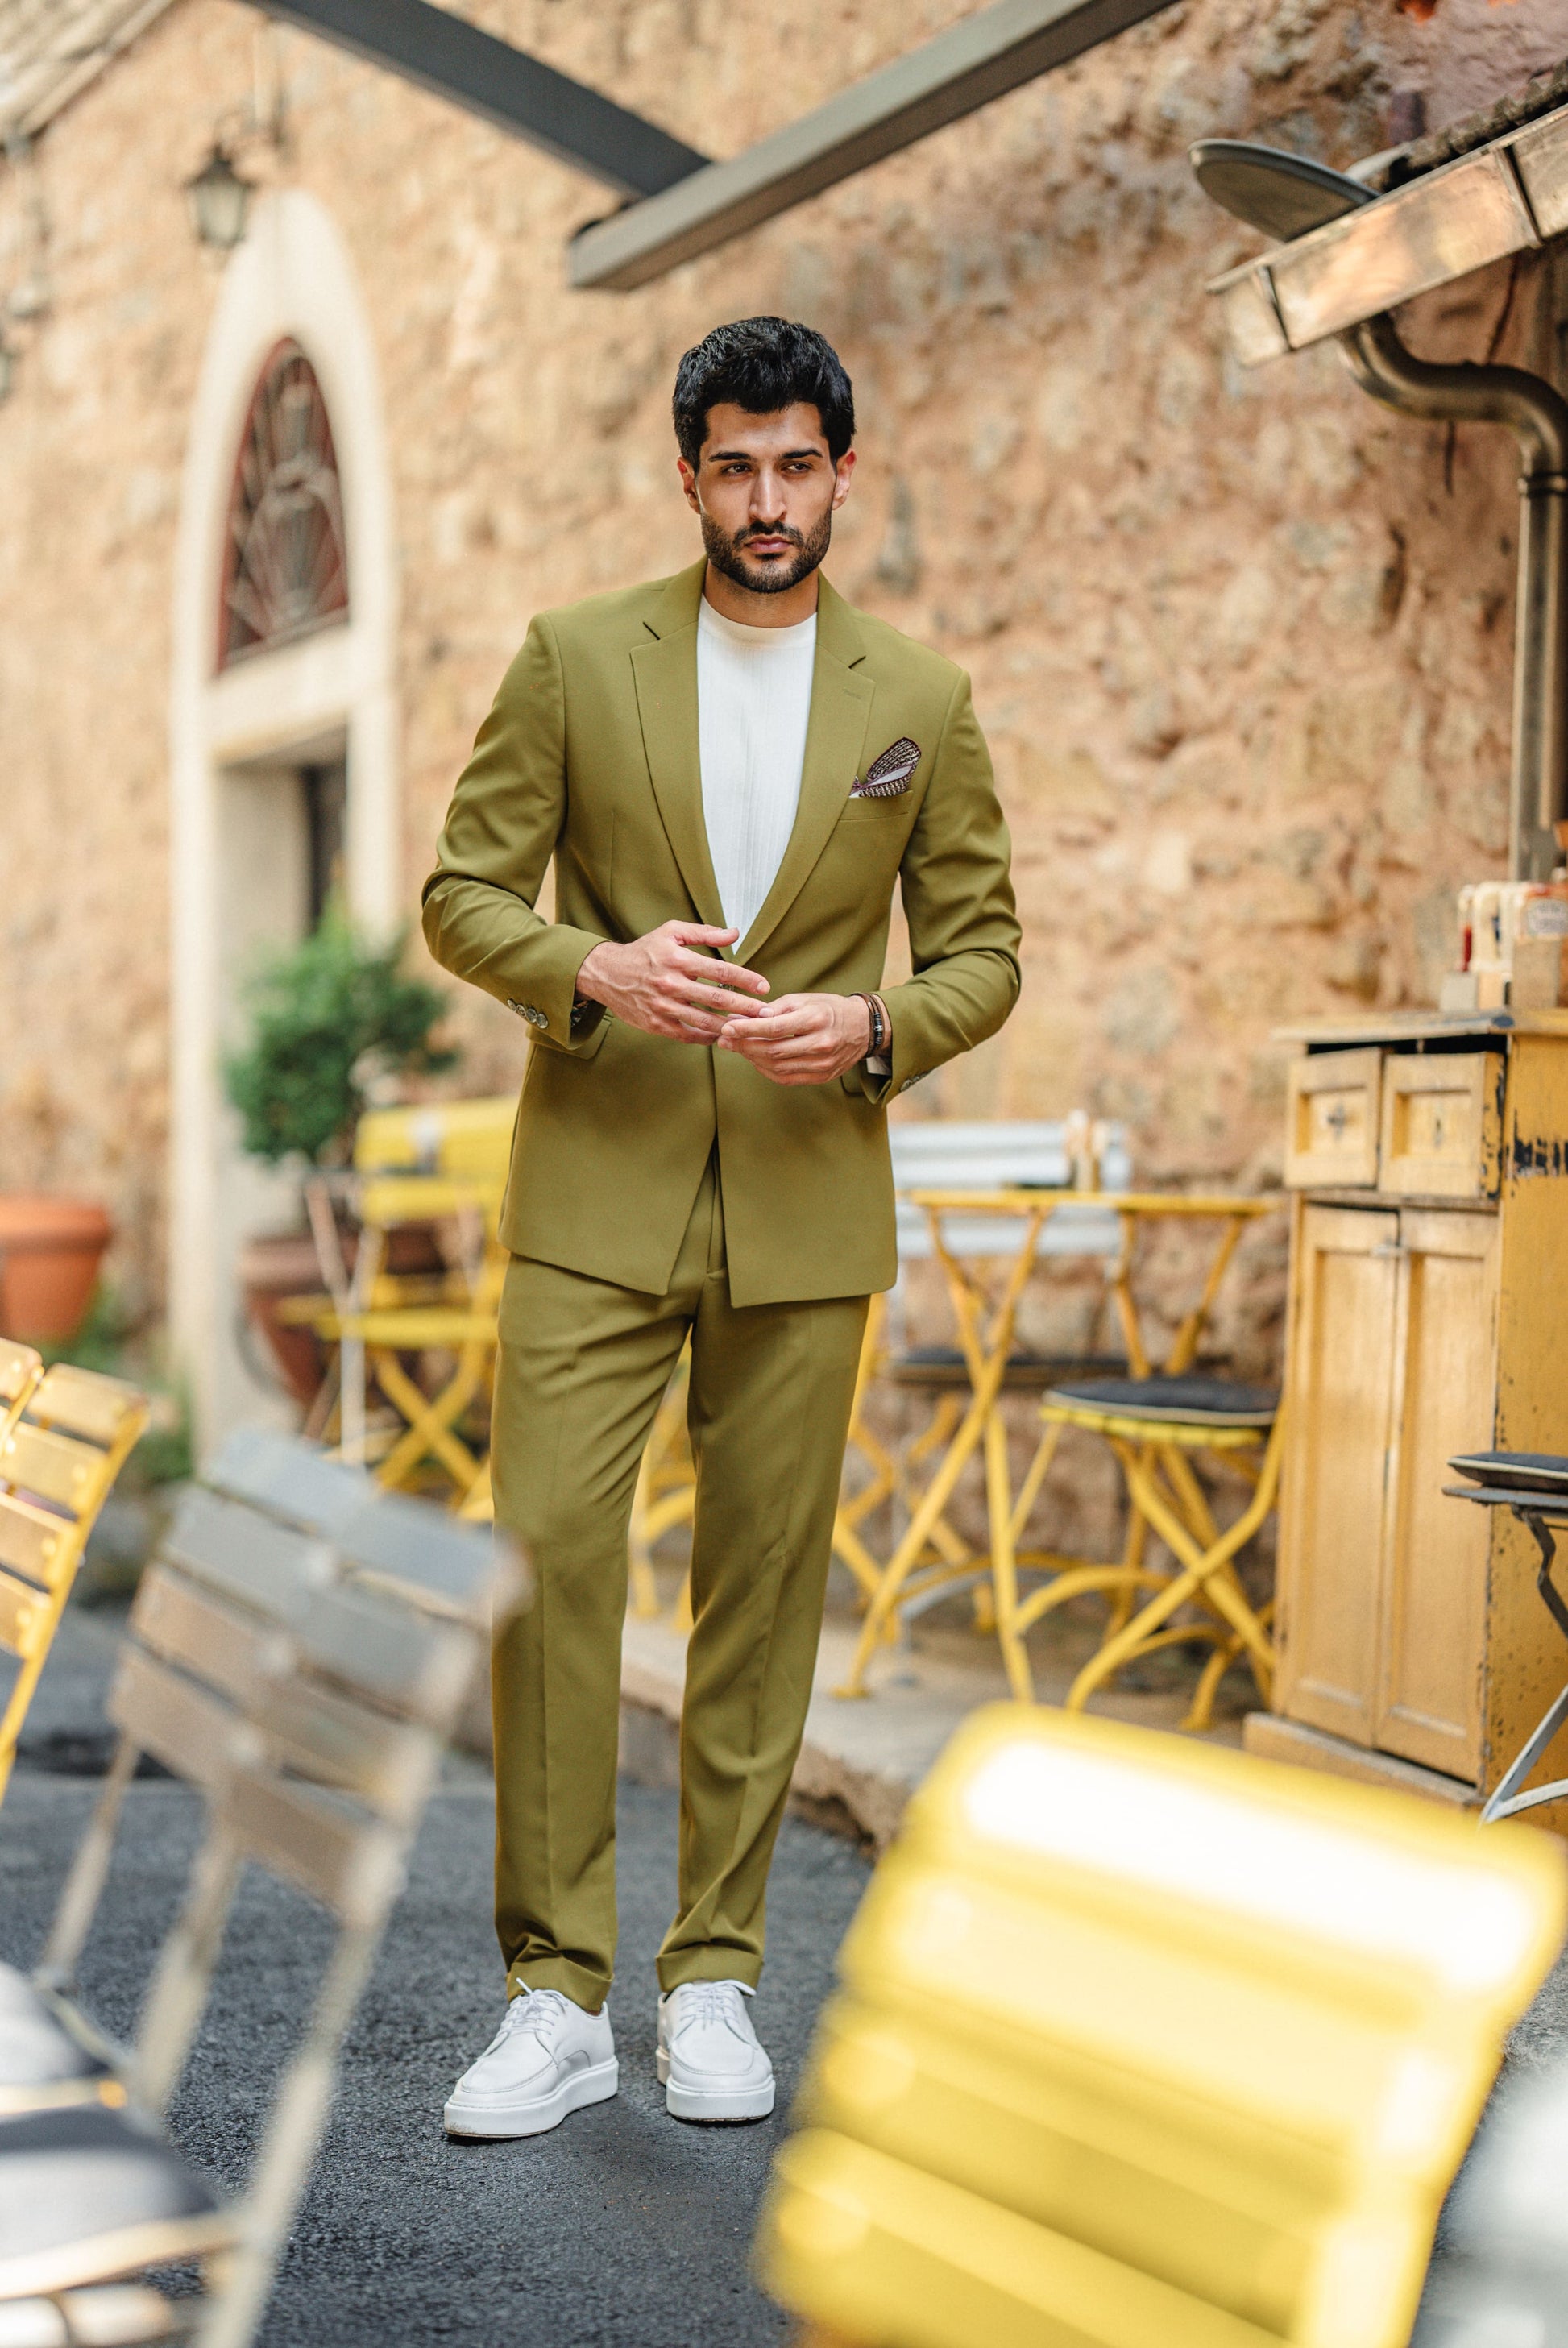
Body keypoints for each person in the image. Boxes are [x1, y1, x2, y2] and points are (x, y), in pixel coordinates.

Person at [423, 315, 1020, 2139]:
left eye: (796, 465)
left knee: (761, 1596)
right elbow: (461, 892)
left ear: (844, 473)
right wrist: (585, 964)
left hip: (803, 1195)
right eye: (733, 466)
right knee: (548, 1562)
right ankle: (551, 1989)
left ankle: (714, 1976)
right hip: (594, 1193)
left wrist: (880, 1027)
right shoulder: (573, 659)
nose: (766, 499)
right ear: (686, 476)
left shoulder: (919, 699)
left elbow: (983, 950)